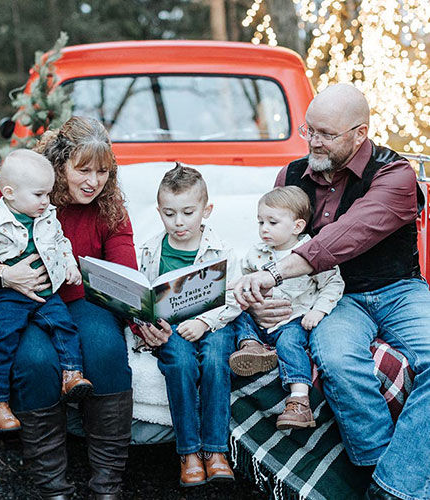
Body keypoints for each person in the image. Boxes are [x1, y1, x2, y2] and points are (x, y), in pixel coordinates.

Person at [233, 83, 430, 500]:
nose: (314, 142)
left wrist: (273, 275)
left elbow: (345, 236)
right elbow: (274, 240)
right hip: (334, 300)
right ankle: (381, 474)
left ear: (360, 133)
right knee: (338, 362)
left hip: (399, 289)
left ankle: (394, 486)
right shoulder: (289, 175)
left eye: (326, 134)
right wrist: (267, 305)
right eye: (309, 131)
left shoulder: (395, 174)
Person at [0, 116, 137, 500]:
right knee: (36, 359)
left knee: (105, 347)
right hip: (0, 303)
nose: (93, 181)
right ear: (58, 164)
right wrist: (2, 273)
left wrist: (140, 318)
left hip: (74, 301)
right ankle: (54, 489)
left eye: (102, 171)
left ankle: (107, 487)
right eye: (82, 169)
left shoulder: (109, 206)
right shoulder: (27, 188)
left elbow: (124, 273)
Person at [0, 149, 93, 432]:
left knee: (64, 325)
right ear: (9, 192)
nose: (46, 201)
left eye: (48, 194)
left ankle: (72, 374)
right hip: (7, 296)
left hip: (45, 292)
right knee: (4, 340)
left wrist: (70, 265)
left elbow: (60, 241)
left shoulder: (47, 215)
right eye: (39, 195)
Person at [137, 163, 241, 487]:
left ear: (205, 210)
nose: (178, 222)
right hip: (172, 329)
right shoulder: (150, 250)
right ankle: (189, 453)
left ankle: (215, 450)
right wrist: (147, 326)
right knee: (180, 364)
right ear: (159, 211)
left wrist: (204, 322)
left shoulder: (221, 250)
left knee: (214, 361)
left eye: (187, 212)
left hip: (215, 323)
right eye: (169, 213)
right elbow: (143, 298)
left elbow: (235, 299)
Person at [233, 186, 344, 429]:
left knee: (290, 344)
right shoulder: (256, 253)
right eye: (260, 222)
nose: (264, 229)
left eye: (272, 222)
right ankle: (251, 347)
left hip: (292, 319)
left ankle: (299, 399)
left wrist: (319, 311)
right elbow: (243, 282)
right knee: (236, 315)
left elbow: (334, 283)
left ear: (297, 226)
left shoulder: (310, 253)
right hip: (259, 319)